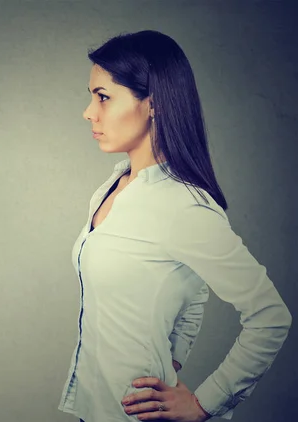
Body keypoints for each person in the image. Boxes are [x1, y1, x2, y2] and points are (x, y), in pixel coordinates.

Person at [57, 30, 292, 422]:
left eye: (103, 97)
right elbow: (192, 287)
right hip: (93, 409)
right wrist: (174, 356)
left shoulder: (183, 205)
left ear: (154, 104)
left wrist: (205, 403)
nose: (88, 112)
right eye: (91, 96)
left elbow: (270, 315)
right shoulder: (112, 186)